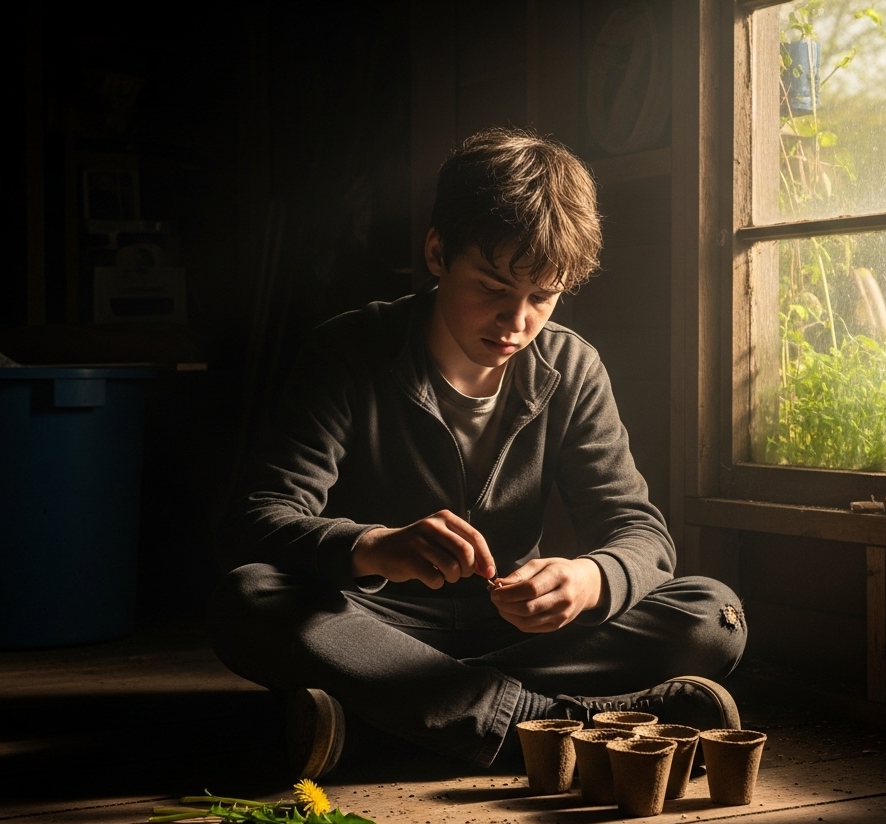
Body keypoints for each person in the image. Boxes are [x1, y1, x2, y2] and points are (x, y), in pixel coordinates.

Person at [211, 127, 747, 778]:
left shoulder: (572, 367)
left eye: (542, 298)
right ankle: (561, 729)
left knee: (711, 614)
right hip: (376, 623)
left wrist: (588, 580)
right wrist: (374, 546)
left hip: (516, 633)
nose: (516, 321)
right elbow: (263, 517)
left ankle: (382, 724)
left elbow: (640, 533)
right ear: (437, 253)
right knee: (251, 597)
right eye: (492, 287)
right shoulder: (348, 351)